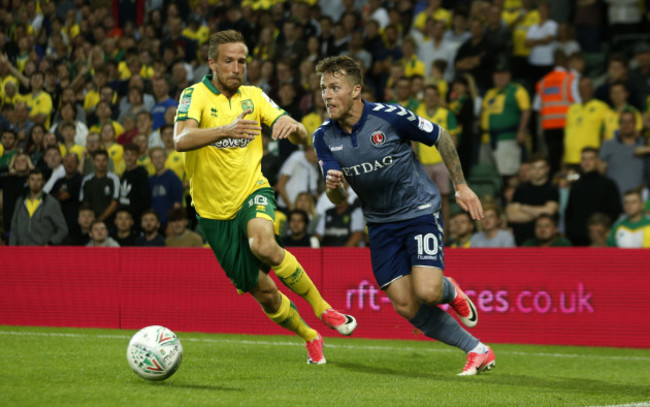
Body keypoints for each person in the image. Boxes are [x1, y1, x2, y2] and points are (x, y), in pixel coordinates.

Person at [173, 31, 356, 365]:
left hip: (251, 192)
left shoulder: (254, 96)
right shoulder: (194, 95)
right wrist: (225, 130)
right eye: (228, 61)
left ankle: (323, 308)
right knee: (267, 294)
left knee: (265, 245)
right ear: (212, 62)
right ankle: (310, 336)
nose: (236, 67)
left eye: (242, 61)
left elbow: (300, 135)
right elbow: (181, 139)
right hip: (214, 215)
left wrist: (291, 124)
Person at [313, 55, 494, 375]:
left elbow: (440, 135)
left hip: (418, 212)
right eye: (323, 88)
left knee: (427, 291)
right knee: (406, 305)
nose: (327, 95)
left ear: (356, 90)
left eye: (334, 87)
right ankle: (478, 350)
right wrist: (334, 187)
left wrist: (461, 186)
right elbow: (338, 197)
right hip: (380, 224)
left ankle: (449, 290)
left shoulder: (389, 117)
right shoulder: (323, 136)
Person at [564, 147, 622, 246]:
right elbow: (569, 212)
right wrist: (570, 233)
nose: (587, 162)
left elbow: (615, 211)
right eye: (584, 159)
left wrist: (604, 231)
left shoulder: (608, 184)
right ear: (580, 162)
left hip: (601, 238)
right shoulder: (575, 185)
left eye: (591, 159)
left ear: (597, 161)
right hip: (578, 239)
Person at [506, 154, 559, 245]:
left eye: (541, 168)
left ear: (547, 169)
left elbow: (549, 212)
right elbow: (511, 216)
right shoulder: (520, 189)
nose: (537, 171)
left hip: (546, 242)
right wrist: (541, 212)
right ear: (530, 169)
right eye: (534, 168)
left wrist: (523, 208)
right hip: (522, 239)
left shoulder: (552, 189)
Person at [10, 169, 68, 245]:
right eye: (32, 179)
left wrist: (50, 243)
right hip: (22, 251)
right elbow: (14, 228)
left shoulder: (51, 203)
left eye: (38, 180)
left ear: (43, 182)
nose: (35, 183)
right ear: (28, 181)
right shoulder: (20, 201)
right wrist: (12, 249)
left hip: (42, 253)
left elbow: (63, 230)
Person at [80, 150, 120, 223]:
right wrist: (89, 219)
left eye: (103, 160)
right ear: (93, 162)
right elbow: (85, 203)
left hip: (109, 221)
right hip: (91, 221)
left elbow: (114, 203)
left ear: (107, 161)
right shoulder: (86, 180)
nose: (101, 163)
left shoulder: (114, 178)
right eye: (98, 160)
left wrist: (99, 220)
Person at [50, 153, 83, 235]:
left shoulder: (80, 179)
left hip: (74, 222)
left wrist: (57, 195)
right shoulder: (59, 181)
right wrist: (58, 195)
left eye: (72, 162)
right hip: (59, 221)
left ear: (77, 164)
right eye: (66, 161)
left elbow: (63, 197)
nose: (69, 164)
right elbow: (49, 197)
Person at [119, 143, 151, 226]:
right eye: (127, 154)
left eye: (132, 155)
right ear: (123, 156)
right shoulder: (124, 173)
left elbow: (145, 199)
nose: (129, 158)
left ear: (138, 156)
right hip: (124, 217)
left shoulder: (141, 173)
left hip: (136, 218)